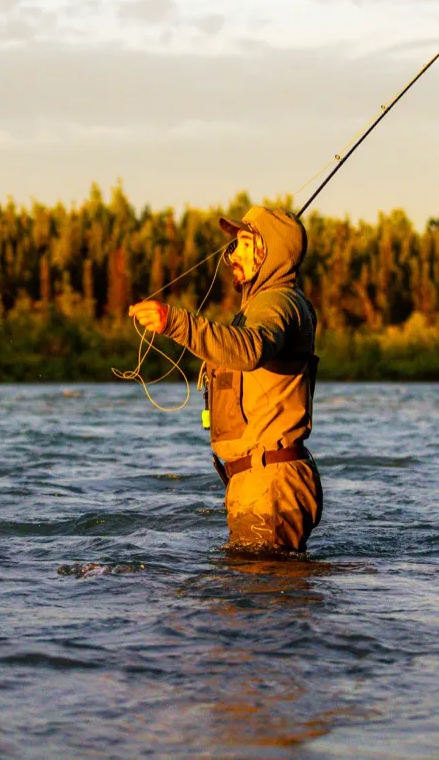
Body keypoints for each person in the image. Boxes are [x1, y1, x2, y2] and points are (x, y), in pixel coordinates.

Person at [129, 206, 323, 553]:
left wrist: (175, 322)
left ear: (270, 252)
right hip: (260, 482)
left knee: (262, 584)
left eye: (245, 244)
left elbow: (251, 349)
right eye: (235, 244)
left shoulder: (278, 302)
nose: (232, 254)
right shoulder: (265, 305)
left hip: (271, 485)